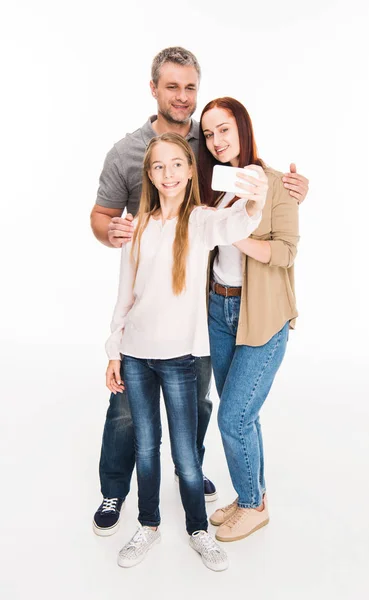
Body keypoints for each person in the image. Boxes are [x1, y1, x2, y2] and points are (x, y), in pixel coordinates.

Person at [90, 46, 309, 536]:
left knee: (205, 402)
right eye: (172, 87)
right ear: (153, 89)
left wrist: (287, 191)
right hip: (163, 311)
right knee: (129, 408)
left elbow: (247, 200)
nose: (183, 97)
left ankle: (197, 474)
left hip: (210, 310)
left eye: (190, 87)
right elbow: (101, 217)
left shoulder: (208, 151)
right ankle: (114, 490)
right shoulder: (128, 153)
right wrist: (116, 233)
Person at [105, 132, 266, 570]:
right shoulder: (137, 226)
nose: (168, 174)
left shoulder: (200, 221)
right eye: (158, 167)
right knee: (145, 448)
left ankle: (198, 529)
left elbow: (237, 225)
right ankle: (149, 525)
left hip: (180, 360)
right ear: (149, 175)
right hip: (136, 356)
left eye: (176, 164)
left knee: (185, 454)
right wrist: (114, 351)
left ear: (191, 170)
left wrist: (255, 196)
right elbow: (125, 297)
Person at [197, 97, 300, 542]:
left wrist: (237, 235)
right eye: (208, 134)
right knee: (245, 415)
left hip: (262, 316)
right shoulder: (214, 184)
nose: (217, 141)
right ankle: (249, 494)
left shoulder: (276, 184)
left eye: (224, 129)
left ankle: (254, 506)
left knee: (233, 417)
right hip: (219, 310)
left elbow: (286, 252)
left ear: (242, 128)